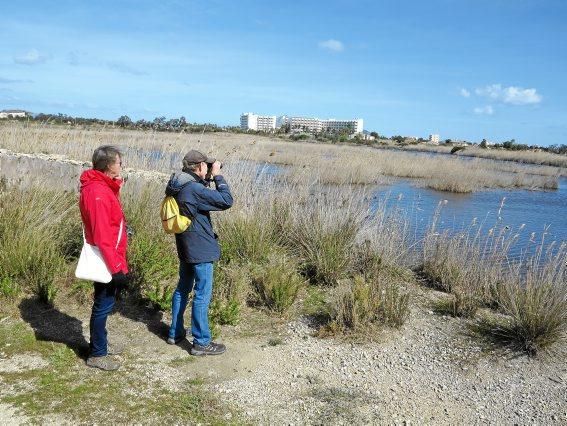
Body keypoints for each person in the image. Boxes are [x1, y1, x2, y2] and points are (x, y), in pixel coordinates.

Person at [166, 149, 233, 356]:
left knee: (182, 289)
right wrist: (219, 177)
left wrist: (207, 179)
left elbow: (199, 199)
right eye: (207, 165)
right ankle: (201, 342)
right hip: (200, 248)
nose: (210, 168)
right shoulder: (193, 189)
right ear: (200, 167)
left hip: (185, 245)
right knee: (202, 294)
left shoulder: (179, 185)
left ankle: (175, 332)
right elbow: (225, 200)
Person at [79, 145, 130, 371]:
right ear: (109, 165)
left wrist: (116, 183)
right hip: (106, 257)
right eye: (119, 162)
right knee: (103, 303)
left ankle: (102, 343)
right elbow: (102, 234)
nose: (122, 166)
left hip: (110, 255)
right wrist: (117, 268)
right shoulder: (97, 192)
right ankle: (97, 353)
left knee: (105, 301)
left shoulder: (101, 187)